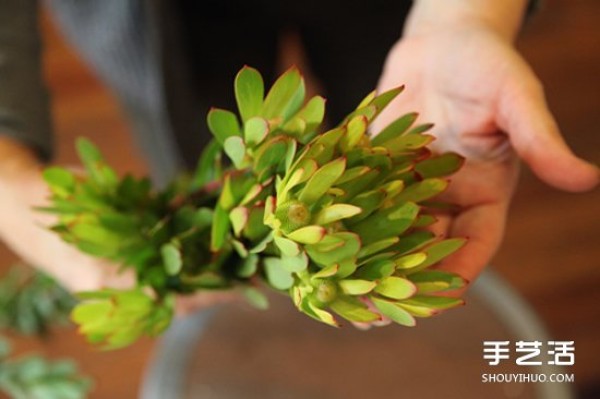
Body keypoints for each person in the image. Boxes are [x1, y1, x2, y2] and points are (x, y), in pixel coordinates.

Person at [0, 0, 597, 311]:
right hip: (158, 20)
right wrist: (9, 177)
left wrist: (465, 14)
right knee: (198, 169)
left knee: (392, 121)